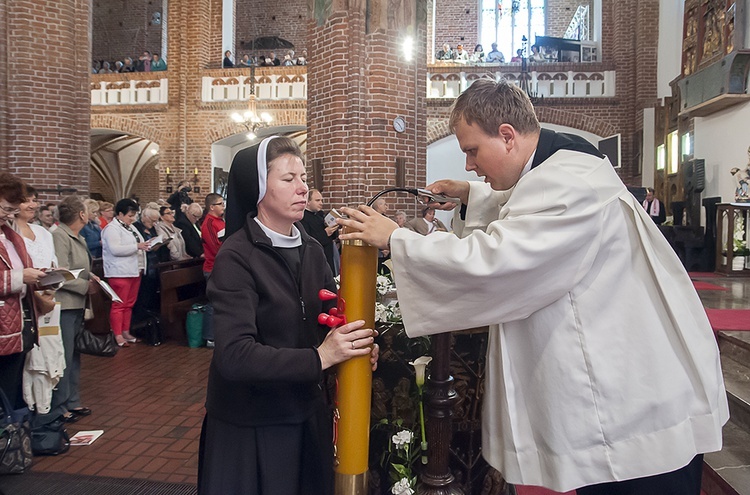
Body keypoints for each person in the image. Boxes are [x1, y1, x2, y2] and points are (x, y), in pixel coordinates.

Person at [337, 79, 728, 494]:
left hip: (631, 405)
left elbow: (498, 263)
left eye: (472, 150)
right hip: (632, 394)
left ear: (507, 136)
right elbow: (527, 210)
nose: (469, 164)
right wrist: (472, 195)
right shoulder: (563, 168)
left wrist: (397, 239)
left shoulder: (568, 183)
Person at [198, 136, 378, 495]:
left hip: (305, 412)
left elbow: (331, 316)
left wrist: (358, 344)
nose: (303, 187)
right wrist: (321, 356)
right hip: (252, 424)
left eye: (303, 178)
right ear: (260, 188)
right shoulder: (236, 257)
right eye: (288, 179)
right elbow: (234, 355)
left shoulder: (311, 248)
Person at [44, 195, 98, 424]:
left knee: (74, 353)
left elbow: (80, 267)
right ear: (82, 214)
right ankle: (61, 406)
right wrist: (85, 285)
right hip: (65, 304)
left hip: (77, 304)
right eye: (87, 210)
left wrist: (91, 276)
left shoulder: (77, 236)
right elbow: (59, 275)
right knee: (63, 355)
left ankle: (73, 400)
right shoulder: (59, 236)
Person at [0, 173, 46, 409]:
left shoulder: (9, 234)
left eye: (12, 210)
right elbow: (17, 273)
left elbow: (20, 266)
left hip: (19, 322)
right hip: (2, 324)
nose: (10, 215)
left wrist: (41, 274)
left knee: (14, 390)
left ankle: (15, 440)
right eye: (7, 209)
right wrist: (20, 277)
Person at [101, 198, 150, 347]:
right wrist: (137, 246)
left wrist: (148, 243)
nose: (133, 218)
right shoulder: (111, 229)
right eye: (130, 215)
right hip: (119, 272)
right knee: (119, 304)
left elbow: (139, 242)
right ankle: (117, 334)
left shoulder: (131, 227)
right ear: (120, 214)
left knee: (129, 304)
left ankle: (126, 331)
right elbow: (115, 249)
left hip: (134, 270)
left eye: (134, 215)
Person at [200, 193, 225, 347]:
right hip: (213, 267)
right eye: (220, 203)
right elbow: (216, 247)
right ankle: (210, 337)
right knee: (213, 301)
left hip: (222, 266)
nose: (223, 206)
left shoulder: (220, 221)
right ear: (211, 207)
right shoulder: (208, 223)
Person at [299, 188, 339, 276]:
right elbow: (307, 241)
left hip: (328, 256)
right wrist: (325, 233)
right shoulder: (302, 218)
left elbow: (332, 237)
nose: (321, 203)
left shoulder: (320, 215)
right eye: (317, 200)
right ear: (308, 202)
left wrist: (333, 228)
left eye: (321, 200)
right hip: (314, 260)